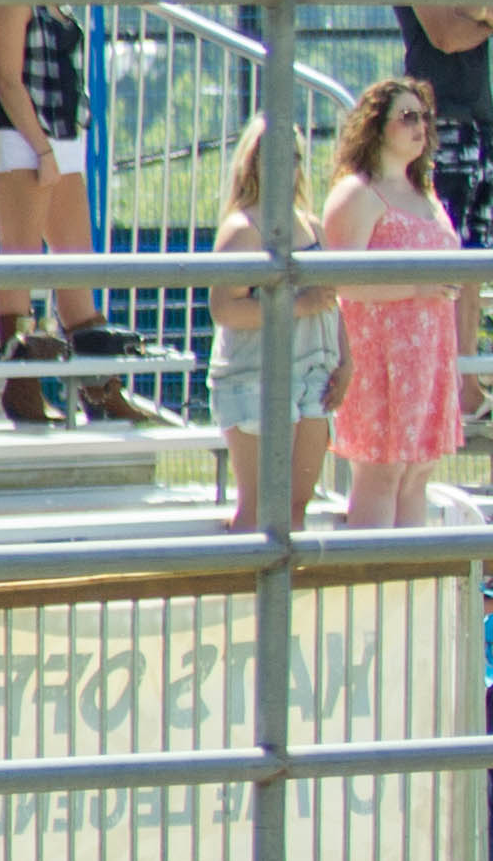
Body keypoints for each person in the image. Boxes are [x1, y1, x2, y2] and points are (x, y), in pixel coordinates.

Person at [0, 0, 115, 414]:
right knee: (19, 254)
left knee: (75, 256)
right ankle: (22, 383)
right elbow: (9, 82)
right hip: (23, 140)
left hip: (62, 135)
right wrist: (42, 148)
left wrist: (60, 145)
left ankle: (101, 384)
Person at [324, 76, 471, 528]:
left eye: (424, 117)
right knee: (382, 472)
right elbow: (338, 285)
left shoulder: (426, 193)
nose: (419, 126)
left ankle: (408, 589)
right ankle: (370, 586)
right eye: (407, 116)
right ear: (375, 127)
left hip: (429, 356)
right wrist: (416, 289)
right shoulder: (359, 193)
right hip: (378, 356)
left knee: (417, 471)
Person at [200, 122, 336, 532]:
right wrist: (297, 305)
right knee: (261, 509)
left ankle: (286, 595)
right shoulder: (242, 229)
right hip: (254, 375)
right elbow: (225, 308)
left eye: (294, 157)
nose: (286, 166)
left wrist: (344, 361)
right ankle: (240, 594)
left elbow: (332, 301)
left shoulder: (312, 225)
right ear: (252, 162)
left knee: (297, 504)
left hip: (315, 373)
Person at [391, 0, 488, 250]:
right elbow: (446, 36)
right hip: (439, 119)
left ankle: (469, 320)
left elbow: (467, 21)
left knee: (475, 255)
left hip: (482, 117)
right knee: (443, 249)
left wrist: (476, 12)